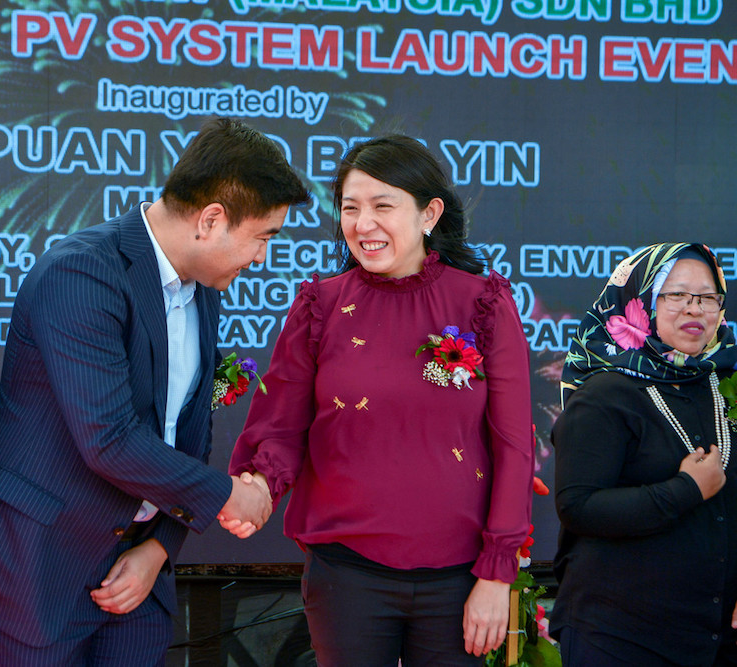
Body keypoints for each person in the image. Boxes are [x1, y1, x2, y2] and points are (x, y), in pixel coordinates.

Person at [0, 117, 310, 665]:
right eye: (262, 238)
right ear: (212, 220)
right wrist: (228, 495)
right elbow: (108, 440)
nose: (261, 259)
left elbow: (188, 429)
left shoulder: (204, 288)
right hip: (40, 565)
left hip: (139, 573)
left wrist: (160, 547)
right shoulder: (81, 274)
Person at [229, 135, 535, 665]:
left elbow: (513, 447)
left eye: (382, 206)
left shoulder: (482, 302)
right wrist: (257, 485)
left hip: (459, 579)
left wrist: (495, 572)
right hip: (347, 575)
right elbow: (280, 425)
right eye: (351, 208)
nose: (362, 224)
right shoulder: (320, 305)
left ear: (429, 214)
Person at [551, 243, 737, 666]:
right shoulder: (604, 395)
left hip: (713, 636)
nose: (694, 309)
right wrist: (686, 489)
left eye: (707, 297)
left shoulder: (725, 384)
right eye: (675, 295)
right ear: (639, 301)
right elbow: (578, 507)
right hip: (620, 634)